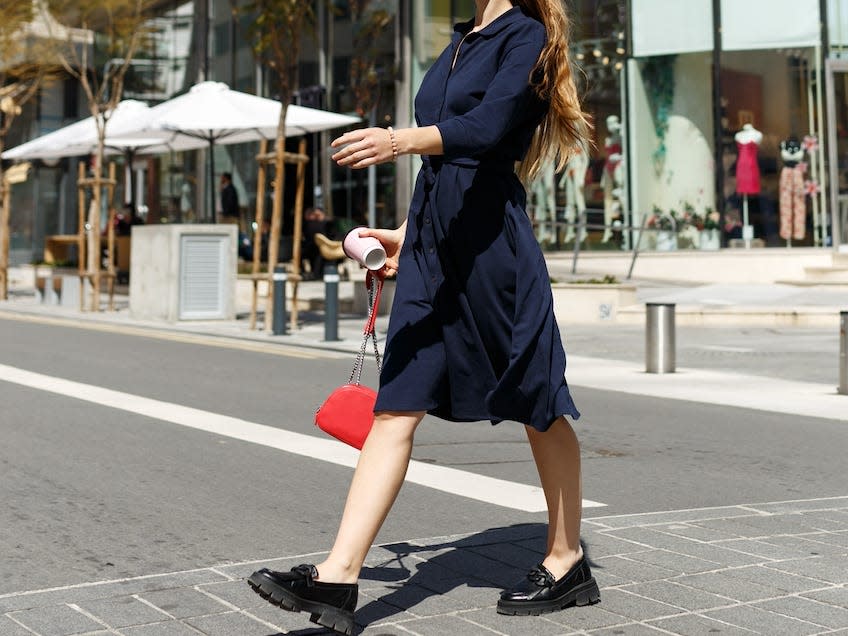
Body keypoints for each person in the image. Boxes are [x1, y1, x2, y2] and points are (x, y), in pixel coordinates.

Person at [247, 1, 599, 634]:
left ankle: (566, 558)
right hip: (433, 253)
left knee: (536, 401)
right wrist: (405, 234)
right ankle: (339, 578)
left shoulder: (527, 35)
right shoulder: (461, 39)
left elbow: (488, 131)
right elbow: (443, 167)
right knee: (396, 405)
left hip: (493, 251)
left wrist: (396, 141)